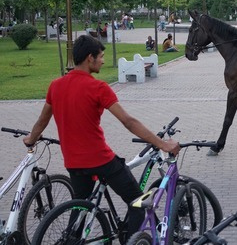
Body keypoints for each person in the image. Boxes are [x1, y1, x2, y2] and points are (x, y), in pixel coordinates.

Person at [22, 35, 180, 242]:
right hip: (101, 160)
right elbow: (128, 121)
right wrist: (163, 144)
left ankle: (71, 240)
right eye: (101, 57)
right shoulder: (98, 88)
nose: (103, 61)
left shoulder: (56, 85)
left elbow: (42, 120)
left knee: (79, 209)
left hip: (73, 162)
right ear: (90, 58)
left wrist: (31, 139)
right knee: (137, 202)